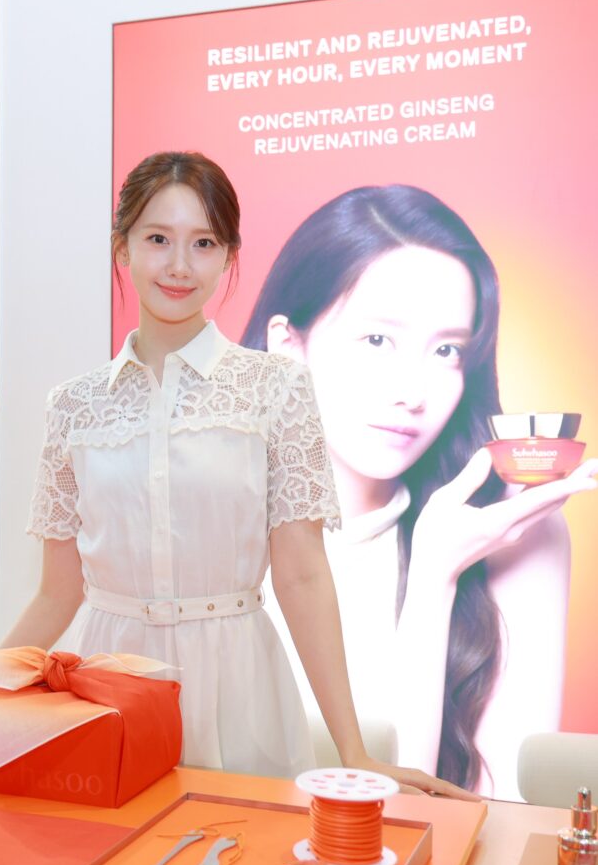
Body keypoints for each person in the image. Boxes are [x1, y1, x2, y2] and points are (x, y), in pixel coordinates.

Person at [0, 154, 472, 796]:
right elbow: (57, 593)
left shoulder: (277, 388)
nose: (180, 265)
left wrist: (354, 750)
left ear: (229, 256)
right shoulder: (75, 405)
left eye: (203, 243)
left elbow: (301, 575)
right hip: (110, 687)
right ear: (122, 247)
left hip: (239, 683)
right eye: (158, 239)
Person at [241, 184, 597, 798]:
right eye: (378, 340)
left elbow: (494, 815)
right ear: (288, 346)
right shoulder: (204, 519)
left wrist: (436, 574)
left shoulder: (508, 528)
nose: (413, 391)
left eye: (447, 350)